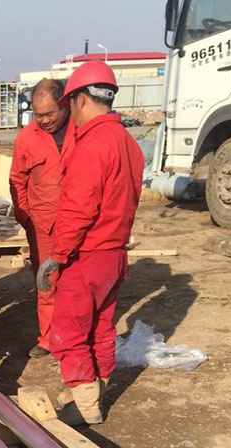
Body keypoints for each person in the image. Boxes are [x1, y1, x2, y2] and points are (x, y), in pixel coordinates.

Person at [36, 61, 145, 426]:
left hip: (86, 255)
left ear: (81, 99)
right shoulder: (128, 144)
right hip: (114, 254)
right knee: (100, 327)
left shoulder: (93, 144)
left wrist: (57, 255)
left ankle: (85, 407)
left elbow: (78, 209)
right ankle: (95, 388)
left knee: (69, 330)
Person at [10, 78, 75, 358]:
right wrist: (27, 218)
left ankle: (75, 336)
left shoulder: (81, 131)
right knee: (46, 281)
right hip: (43, 226)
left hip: (79, 222)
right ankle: (48, 338)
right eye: (38, 115)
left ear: (64, 105)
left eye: (49, 113)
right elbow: (17, 180)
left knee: (77, 282)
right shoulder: (27, 138)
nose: (44, 120)